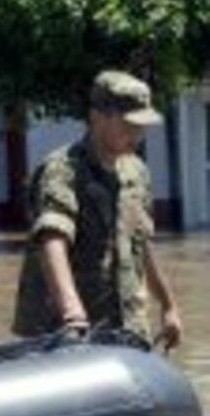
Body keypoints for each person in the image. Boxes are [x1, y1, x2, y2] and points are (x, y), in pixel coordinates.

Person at [13, 70, 183, 348]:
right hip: (65, 333)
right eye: (129, 126)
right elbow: (52, 240)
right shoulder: (62, 171)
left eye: (142, 127)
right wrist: (72, 314)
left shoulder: (136, 172)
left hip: (127, 327)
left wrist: (168, 305)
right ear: (98, 117)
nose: (137, 136)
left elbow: (142, 246)